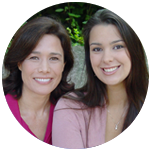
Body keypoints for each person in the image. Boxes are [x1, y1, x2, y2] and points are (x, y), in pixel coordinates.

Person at [52, 9, 149, 148]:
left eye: (118, 46)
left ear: (135, 49)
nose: (107, 59)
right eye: (97, 49)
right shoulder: (70, 108)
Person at [3, 16, 74, 145]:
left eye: (54, 58)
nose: (44, 69)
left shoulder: (70, 113)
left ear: (64, 64)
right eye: (34, 57)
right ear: (19, 63)